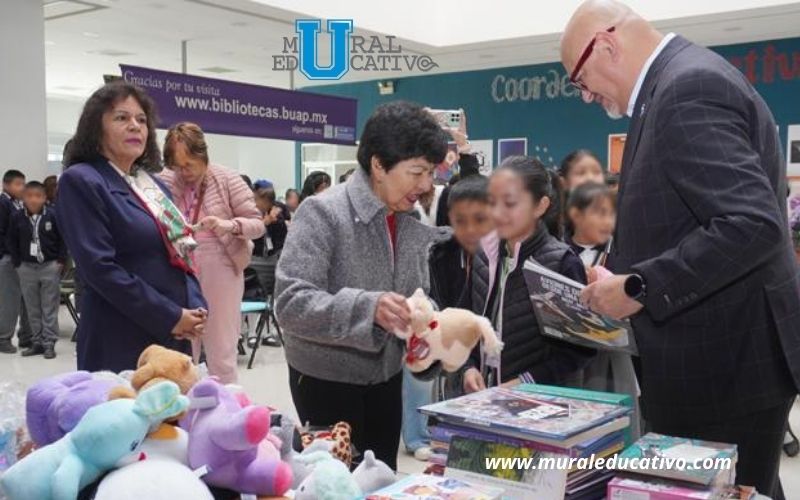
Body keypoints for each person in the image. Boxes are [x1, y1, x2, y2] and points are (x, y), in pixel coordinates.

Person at [562, 1, 800, 496]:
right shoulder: (673, 85)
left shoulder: (686, 89)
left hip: (722, 364)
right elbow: (690, 216)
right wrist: (623, 267)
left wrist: (640, 286)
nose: (586, 97)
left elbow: (751, 225)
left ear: (605, 45)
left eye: (580, 81)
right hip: (719, 357)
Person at [275, 101, 451, 470]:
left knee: (380, 475)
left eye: (430, 172)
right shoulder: (322, 212)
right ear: (378, 165)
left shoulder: (408, 217)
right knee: (336, 483)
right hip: (326, 379)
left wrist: (422, 325)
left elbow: (414, 292)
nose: (425, 185)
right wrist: (369, 308)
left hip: (386, 377)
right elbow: (291, 302)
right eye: (416, 172)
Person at [57, 80, 207, 372]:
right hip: (121, 336)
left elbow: (181, 249)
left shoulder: (151, 184)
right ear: (95, 128)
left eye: (141, 119)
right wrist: (170, 315)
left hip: (173, 332)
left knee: (174, 416)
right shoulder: (82, 180)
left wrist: (195, 308)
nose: (135, 126)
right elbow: (99, 269)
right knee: (127, 416)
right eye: (121, 118)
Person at [461, 156, 593, 394]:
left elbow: (578, 350)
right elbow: (467, 320)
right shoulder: (485, 254)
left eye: (510, 203)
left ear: (540, 206)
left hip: (541, 406)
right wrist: (469, 368)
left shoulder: (561, 262)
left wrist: (527, 381)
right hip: (485, 398)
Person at [159, 122, 264, 384]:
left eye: (189, 164)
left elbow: (257, 224)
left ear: (202, 155)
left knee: (221, 350)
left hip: (221, 262)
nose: (184, 172)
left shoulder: (227, 178)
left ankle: (227, 415)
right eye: (177, 166)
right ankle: (182, 414)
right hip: (178, 265)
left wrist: (229, 225)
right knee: (181, 351)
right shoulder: (164, 181)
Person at [564, 182, 641, 439]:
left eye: (611, 213)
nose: (607, 221)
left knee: (616, 434)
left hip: (612, 361)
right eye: (598, 212)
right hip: (568, 360)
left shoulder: (624, 255)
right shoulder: (558, 253)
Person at [6, 181, 66, 359]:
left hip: (49, 266)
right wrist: (17, 263)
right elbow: (11, 240)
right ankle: (37, 342)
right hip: (26, 267)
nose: (33, 200)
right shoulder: (17, 217)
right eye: (29, 196)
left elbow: (63, 239)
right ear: (23, 198)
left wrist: (60, 261)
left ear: (45, 198)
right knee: (32, 307)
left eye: (38, 196)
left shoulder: (53, 215)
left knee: (49, 306)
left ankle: (49, 343)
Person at [0, 169, 32, 354]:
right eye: (17, 184)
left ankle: (25, 336)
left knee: (25, 299)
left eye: (23, 184)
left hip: (22, 259)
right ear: (6, 184)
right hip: (9, 258)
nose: (21, 188)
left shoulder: (18, 203)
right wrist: (8, 254)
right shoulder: (3, 203)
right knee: (9, 301)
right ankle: (3, 338)